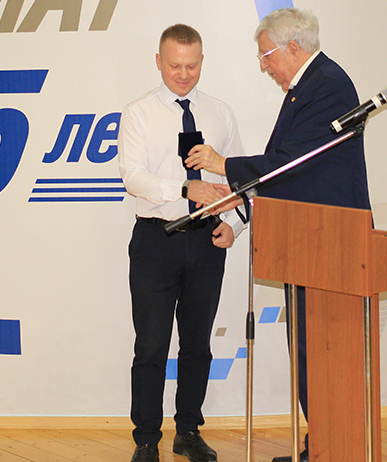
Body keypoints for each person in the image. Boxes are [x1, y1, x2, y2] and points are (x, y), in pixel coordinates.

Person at [186, 8, 371, 462]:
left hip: (330, 240)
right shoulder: (307, 88)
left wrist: (223, 166)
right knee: (310, 351)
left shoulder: (326, 86)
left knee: (324, 352)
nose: (263, 66)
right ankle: (321, 446)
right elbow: (293, 170)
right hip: (310, 238)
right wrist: (241, 198)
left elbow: (293, 164)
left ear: (293, 47)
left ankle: (330, 448)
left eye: (266, 55)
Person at [118, 24, 246, 462]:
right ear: (159, 62)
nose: (184, 74)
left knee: (197, 344)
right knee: (151, 346)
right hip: (156, 241)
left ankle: (188, 431)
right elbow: (133, 177)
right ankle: (146, 440)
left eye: (191, 66)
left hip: (207, 241)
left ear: (202, 62)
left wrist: (235, 226)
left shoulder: (221, 113)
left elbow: (240, 179)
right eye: (175, 65)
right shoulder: (138, 113)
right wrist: (184, 188)